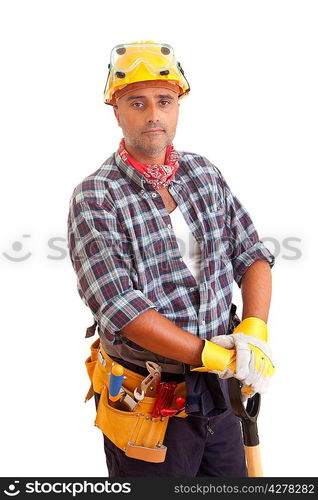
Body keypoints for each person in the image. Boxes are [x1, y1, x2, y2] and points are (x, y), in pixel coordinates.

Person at [67, 41, 275, 477]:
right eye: (136, 103)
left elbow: (251, 253)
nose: (153, 115)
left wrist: (252, 333)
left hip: (221, 396)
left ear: (178, 105)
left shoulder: (203, 173)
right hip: (147, 404)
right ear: (116, 111)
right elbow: (121, 306)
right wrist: (209, 354)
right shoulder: (96, 196)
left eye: (164, 101)